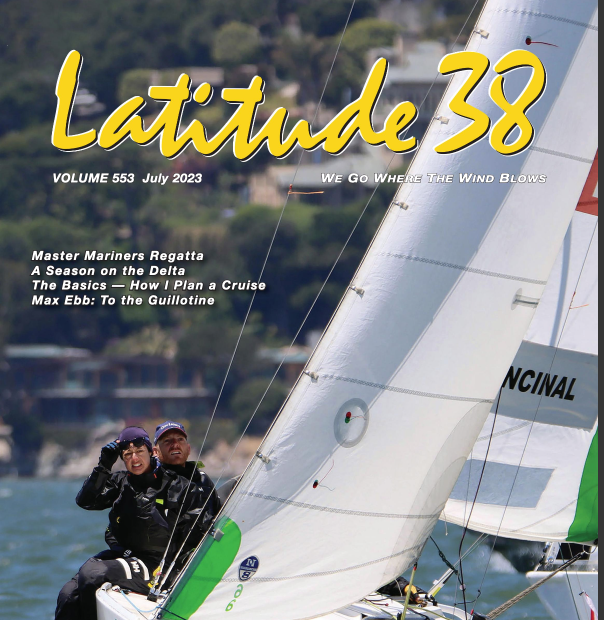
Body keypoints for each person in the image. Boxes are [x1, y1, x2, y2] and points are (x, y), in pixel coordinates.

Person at [55, 426, 208, 620]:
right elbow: (85, 501)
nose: (134, 459)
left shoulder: (178, 486)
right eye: (127, 454)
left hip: (157, 565)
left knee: (92, 574)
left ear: (151, 452)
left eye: (139, 451)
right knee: (68, 595)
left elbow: (199, 533)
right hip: (123, 555)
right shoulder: (120, 482)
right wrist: (103, 466)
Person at [153, 420, 221, 525]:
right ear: (155, 452)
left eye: (180, 439)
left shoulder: (202, 479)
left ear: (188, 449)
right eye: (167, 441)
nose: (175, 444)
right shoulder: (153, 482)